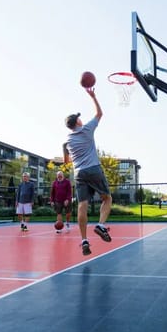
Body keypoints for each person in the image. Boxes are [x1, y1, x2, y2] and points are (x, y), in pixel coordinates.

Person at [63, 87, 112, 256]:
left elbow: (66, 160)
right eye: (79, 118)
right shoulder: (87, 129)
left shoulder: (68, 140)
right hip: (93, 169)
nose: (81, 120)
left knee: (82, 205)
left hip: (79, 174)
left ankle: (84, 240)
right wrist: (93, 96)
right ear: (77, 122)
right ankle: (100, 225)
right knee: (107, 198)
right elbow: (100, 113)